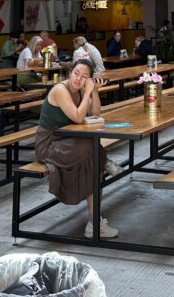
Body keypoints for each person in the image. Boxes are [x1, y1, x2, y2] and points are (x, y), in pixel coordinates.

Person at [35, 58, 117, 238]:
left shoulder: (81, 90)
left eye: (84, 77)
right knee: (91, 148)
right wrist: (87, 91)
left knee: (92, 153)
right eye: (76, 73)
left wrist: (93, 91)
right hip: (49, 144)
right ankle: (94, 222)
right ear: (71, 72)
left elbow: (95, 114)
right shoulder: (60, 90)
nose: (78, 79)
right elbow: (79, 118)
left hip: (67, 140)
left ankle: (93, 222)